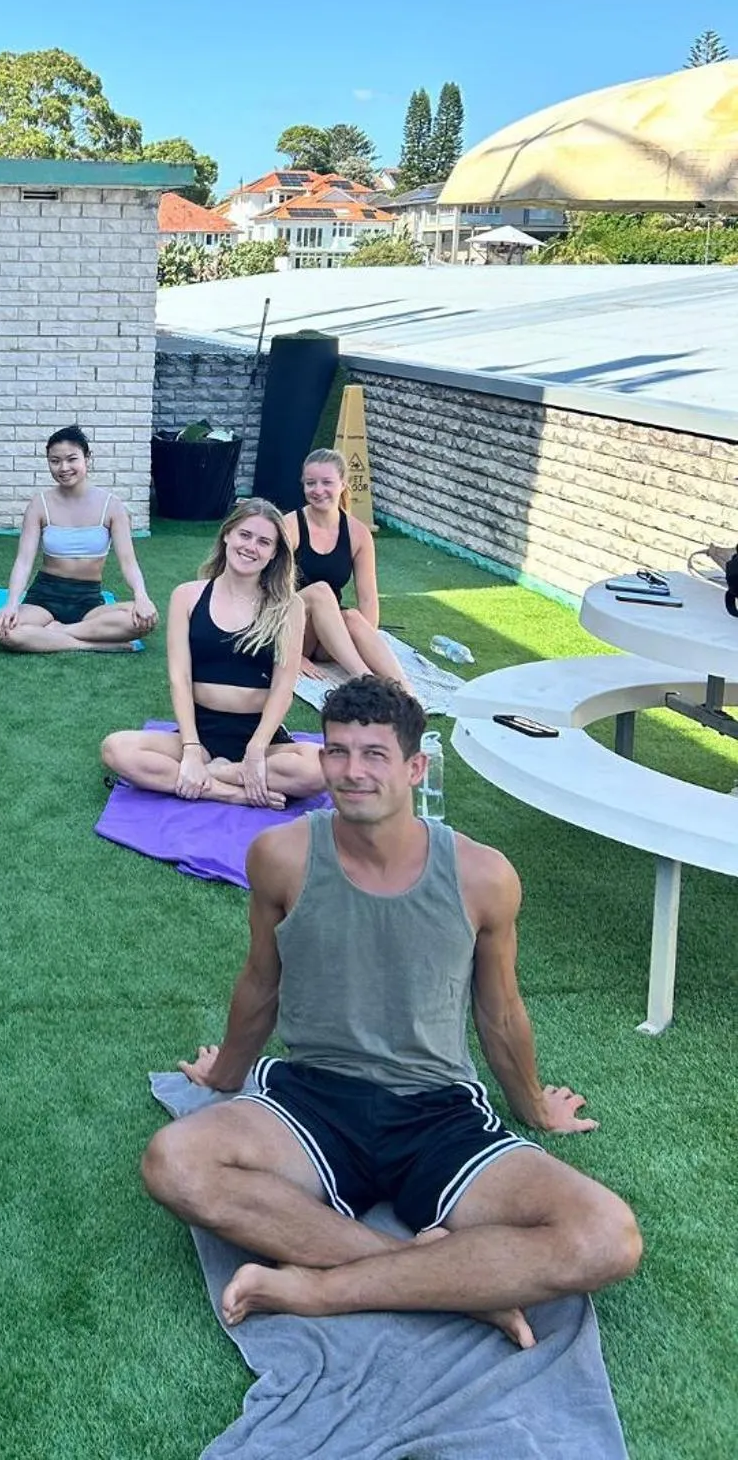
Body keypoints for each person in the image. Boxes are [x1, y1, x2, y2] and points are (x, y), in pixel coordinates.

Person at [141, 675, 641, 1345]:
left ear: (414, 768)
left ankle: (324, 1290)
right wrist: (225, 1074)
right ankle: (447, 1281)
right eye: (338, 752)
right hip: (313, 1102)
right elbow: (261, 982)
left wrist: (534, 1107)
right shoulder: (281, 857)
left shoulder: (483, 875)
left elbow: (499, 1013)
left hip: (438, 1113)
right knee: (173, 1162)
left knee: (607, 1235)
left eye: (374, 754)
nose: (353, 772)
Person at [99, 499, 325, 806]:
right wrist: (191, 748)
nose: (251, 547)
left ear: (274, 553)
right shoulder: (187, 596)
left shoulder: (289, 606)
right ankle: (230, 791)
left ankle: (221, 772)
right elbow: (179, 678)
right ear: (227, 534)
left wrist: (256, 750)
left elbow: (283, 687)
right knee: (115, 749)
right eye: (245, 535)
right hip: (201, 731)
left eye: (264, 542)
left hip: (261, 735)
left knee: (321, 768)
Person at [0, 426, 158, 652]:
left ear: (87, 459)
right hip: (44, 599)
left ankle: (56, 633)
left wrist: (142, 596)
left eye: (71, 459)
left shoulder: (112, 506)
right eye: (55, 461)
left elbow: (128, 562)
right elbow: (24, 561)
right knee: (2, 630)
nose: (64, 468)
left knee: (144, 619)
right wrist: (11, 604)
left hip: (89, 601)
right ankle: (93, 645)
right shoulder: (40, 504)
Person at [282, 450, 410, 688]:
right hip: (293, 629)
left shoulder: (358, 533)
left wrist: (366, 643)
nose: (318, 490)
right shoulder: (290, 527)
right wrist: (291, 654)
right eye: (311, 483)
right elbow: (268, 590)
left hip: (328, 635)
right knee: (320, 591)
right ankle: (366, 681)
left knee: (352, 616)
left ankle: (408, 695)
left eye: (327, 482)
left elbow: (368, 599)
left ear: (343, 484)